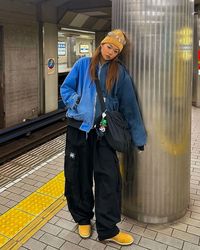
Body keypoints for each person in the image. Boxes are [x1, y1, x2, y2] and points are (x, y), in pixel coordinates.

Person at [60, 29, 147, 246]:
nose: (110, 52)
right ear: (102, 44)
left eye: (116, 50)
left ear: (119, 53)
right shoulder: (83, 65)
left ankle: (108, 229)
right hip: (78, 130)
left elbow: (130, 107)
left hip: (103, 134)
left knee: (108, 179)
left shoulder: (119, 73)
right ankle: (83, 219)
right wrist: (77, 102)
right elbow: (66, 88)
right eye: (109, 46)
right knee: (78, 176)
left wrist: (139, 137)